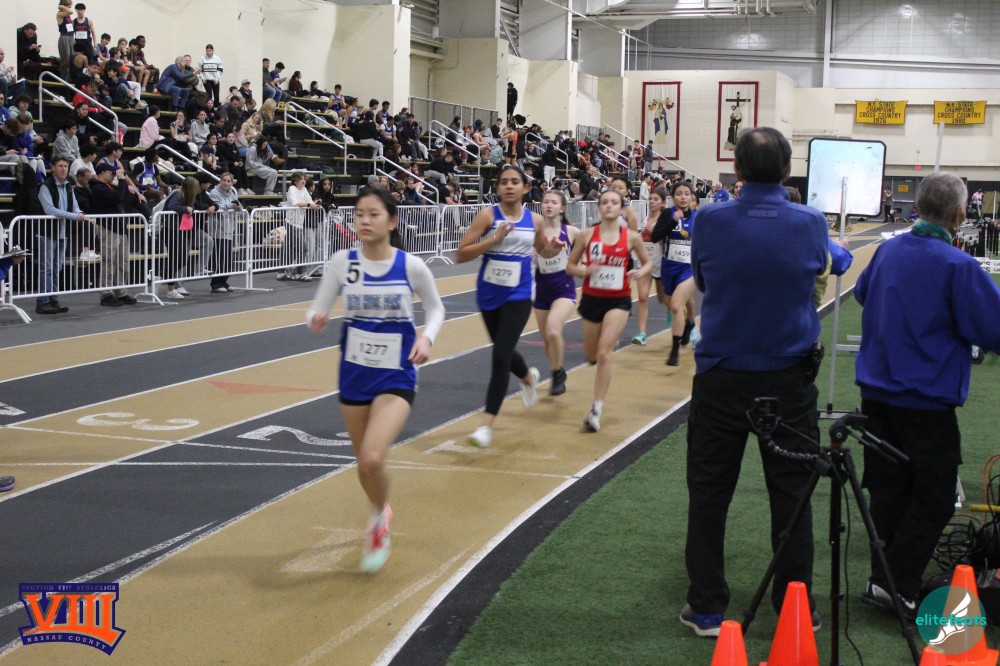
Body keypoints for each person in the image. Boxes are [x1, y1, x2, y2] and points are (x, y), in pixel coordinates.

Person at [680, 127, 830, 637]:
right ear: (788, 171)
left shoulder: (710, 219)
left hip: (721, 377)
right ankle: (795, 606)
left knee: (709, 493)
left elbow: (703, 281)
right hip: (789, 379)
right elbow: (816, 274)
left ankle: (706, 607)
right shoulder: (811, 222)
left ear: (737, 171)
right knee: (793, 495)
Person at [854, 171, 1000, 618]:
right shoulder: (957, 265)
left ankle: (883, 580)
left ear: (915, 208)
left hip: (877, 393)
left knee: (888, 490)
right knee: (935, 497)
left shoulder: (887, 251)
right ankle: (896, 583)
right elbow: (992, 328)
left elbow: (862, 294)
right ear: (960, 213)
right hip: (925, 399)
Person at [307, 186, 445, 574]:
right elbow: (317, 307)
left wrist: (426, 338)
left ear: (392, 221)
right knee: (363, 465)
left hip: (396, 372)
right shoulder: (342, 262)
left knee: (371, 457)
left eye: (373, 214)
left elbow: (436, 309)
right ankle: (379, 509)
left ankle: (378, 524)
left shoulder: (410, 266)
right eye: (359, 215)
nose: (364, 221)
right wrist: (316, 318)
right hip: (354, 372)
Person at [456, 165, 543, 448]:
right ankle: (528, 378)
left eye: (515, 181)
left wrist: (551, 248)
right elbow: (460, 254)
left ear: (525, 188)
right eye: (504, 182)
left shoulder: (535, 220)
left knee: (500, 356)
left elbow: (544, 247)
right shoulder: (488, 216)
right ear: (497, 188)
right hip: (489, 294)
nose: (509, 186)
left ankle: (486, 426)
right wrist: (494, 240)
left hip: (520, 294)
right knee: (502, 349)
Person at [566, 189, 651, 432]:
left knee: (604, 353)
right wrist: (584, 271)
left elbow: (647, 263)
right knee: (592, 355)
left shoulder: (631, 237)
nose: (609, 206)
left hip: (619, 300)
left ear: (621, 208)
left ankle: (596, 409)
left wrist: (640, 272)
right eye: (605, 202)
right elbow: (570, 266)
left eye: (614, 202)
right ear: (599, 207)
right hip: (592, 299)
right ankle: (602, 348)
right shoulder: (587, 235)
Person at [532, 190, 579, 397]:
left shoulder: (572, 232)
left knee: (553, 330)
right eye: (546, 202)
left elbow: (585, 253)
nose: (549, 205)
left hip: (564, 288)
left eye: (553, 202)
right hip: (542, 289)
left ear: (562, 208)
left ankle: (558, 374)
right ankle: (556, 368)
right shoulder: (535, 232)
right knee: (546, 338)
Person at [651, 181, 699, 366]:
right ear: (673, 197)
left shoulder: (698, 217)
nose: (683, 197)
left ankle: (674, 351)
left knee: (677, 305)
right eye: (679, 194)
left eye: (686, 193)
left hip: (689, 269)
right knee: (673, 305)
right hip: (669, 267)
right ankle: (688, 323)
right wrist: (673, 221)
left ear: (692, 197)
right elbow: (655, 237)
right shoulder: (667, 214)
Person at [35, 156, 87, 315]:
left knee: (57, 268)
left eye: (65, 166)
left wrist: (80, 213)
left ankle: (54, 299)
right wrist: (74, 216)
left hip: (63, 233)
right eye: (60, 166)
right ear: (53, 168)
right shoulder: (45, 187)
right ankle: (42, 301)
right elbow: (49, 210)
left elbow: (75, 206)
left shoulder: (68, 187)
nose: (64, 169)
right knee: (47, 268)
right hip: (47, 233)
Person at [89, 162, 137, 306]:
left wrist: (126, 186)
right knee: (109, 261)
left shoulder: (111, 186)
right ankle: (106, 293)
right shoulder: (98, 187)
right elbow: (117, 198)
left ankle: (121, 290)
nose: (113, 176)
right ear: (103, 173)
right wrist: (122, 180)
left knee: (123, 261)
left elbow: (123, 197)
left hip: (120, 227)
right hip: (108, 227)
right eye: (112, 173)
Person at [632, 186, 669, 345]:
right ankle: (642, 333)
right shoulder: (643, 219)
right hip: (644, 262)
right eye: (650, 199)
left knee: (662, 298)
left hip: (660, 262)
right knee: (642, 297)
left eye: (656, 199)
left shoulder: (665, 220)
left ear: (662, 203)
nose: (652, 202)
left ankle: (672, 311)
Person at [208, 172, 242, 293]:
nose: (226, 183)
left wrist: (238, 207)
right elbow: (218, 207)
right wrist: (231, 206)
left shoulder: (233, 192)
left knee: (228, 260)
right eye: (224, 180)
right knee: (220, 258)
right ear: (220, 181)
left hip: (229, 229)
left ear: (231, 183)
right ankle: (216, 283)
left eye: (228, 181)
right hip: (217, 229)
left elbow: (238, 208)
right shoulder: (214, 193)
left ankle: (224, 281)